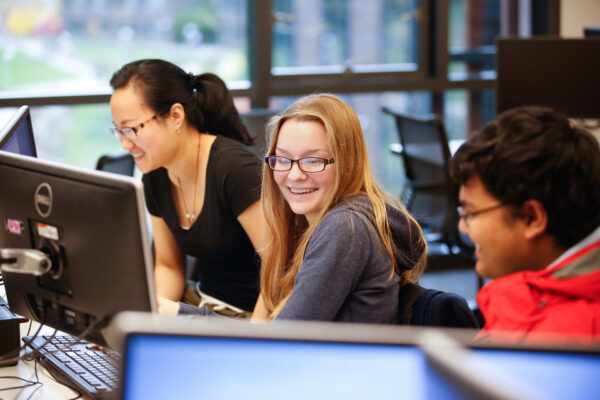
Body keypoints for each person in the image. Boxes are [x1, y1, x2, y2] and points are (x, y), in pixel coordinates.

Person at [172, 93, 426, 322]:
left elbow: (284, 340)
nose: (294, 175)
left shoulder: (345, 228)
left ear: (348, 162)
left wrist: (176, 313)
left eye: (313, 160)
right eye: (282, 159)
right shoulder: (322, 222)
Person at [109, 59, 264, 317]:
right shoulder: (156, 176)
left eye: (131, 129)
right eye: (118, 131)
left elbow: (281, 274)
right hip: (203, 304)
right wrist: (149, 321)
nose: (125, 144)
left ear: (176, 116)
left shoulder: (235, 170)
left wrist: (254, 345)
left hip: (251, 317)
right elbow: (169, 266)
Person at [449, 106, 600, 343]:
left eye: (471, 214)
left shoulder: (565, 342)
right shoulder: (523, 291)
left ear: (532, 218)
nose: (463, 228)